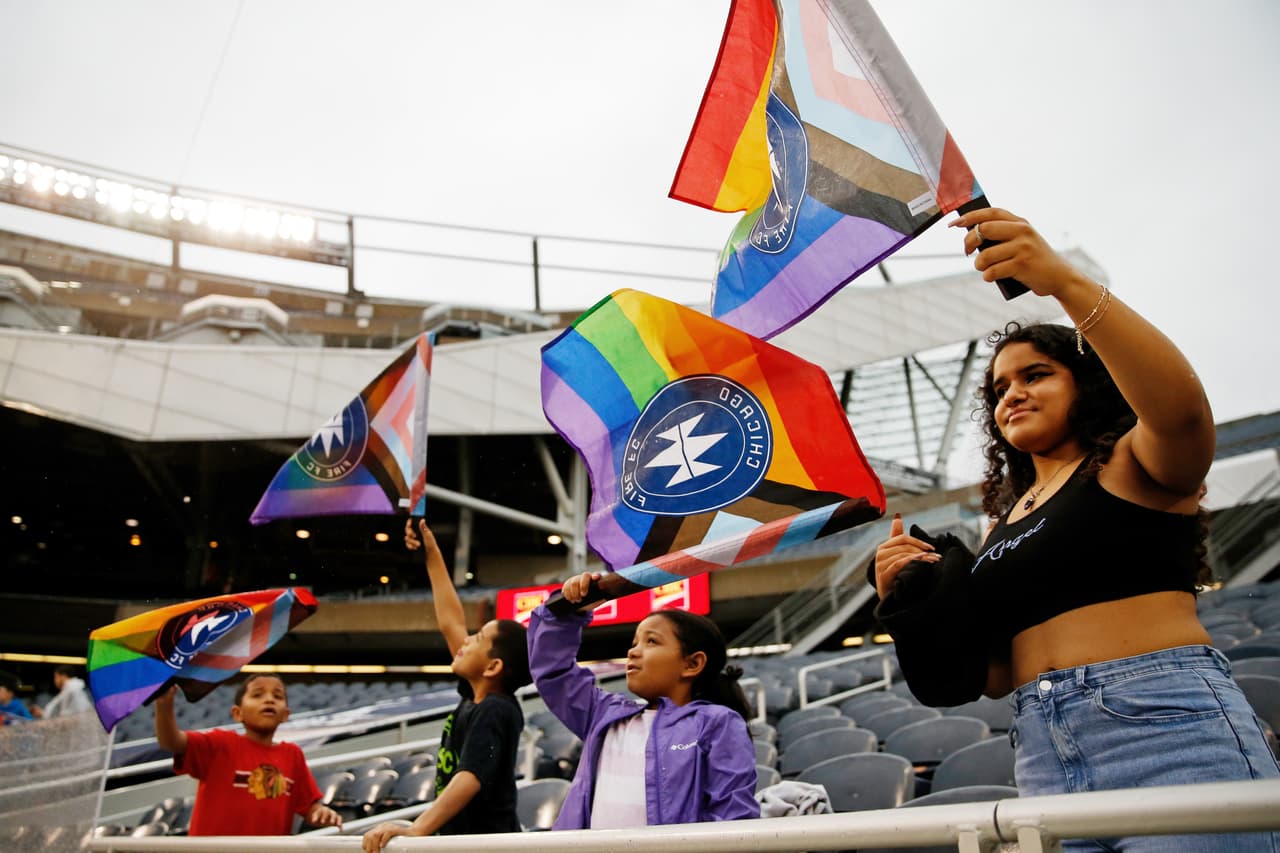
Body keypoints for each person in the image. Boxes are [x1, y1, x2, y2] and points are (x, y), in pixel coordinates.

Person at [874, 208, 1280, 852]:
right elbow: (995, 676)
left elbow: (1181, 413)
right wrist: (912, 602)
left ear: (1087, 385)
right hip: (1041, 753)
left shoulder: (1130, 463)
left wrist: (1064, 282)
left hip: (1165, 728)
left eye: (1035, 375)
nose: (1011, 394)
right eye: (999, 389)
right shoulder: (1001, 525)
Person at [526, 571, 758, 829]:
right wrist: (568, 612)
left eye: (651, 641)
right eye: (635, 642)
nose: (633, 652)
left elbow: (732, 821)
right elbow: (554, 673)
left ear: (692, 664)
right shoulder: (602, 714)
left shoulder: (718, 723)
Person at [362, 519, 531, 851]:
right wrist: (432, 553)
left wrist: (418, 828)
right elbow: (450, 621)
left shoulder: (496, 710)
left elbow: (469, 778)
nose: (465, 640)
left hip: (487, 847)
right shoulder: (475, 695)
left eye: (477, 638)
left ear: (493, 667)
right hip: (462, 841)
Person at [154, 674, 342, 836]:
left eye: (277, 696)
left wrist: (320, 812)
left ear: (285, 715)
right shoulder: (219, 743)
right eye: (257, 694)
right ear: (238, 713)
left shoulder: (292, 754)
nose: (269, 700)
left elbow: (308, 805)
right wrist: (164, 703)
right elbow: (171, 742)